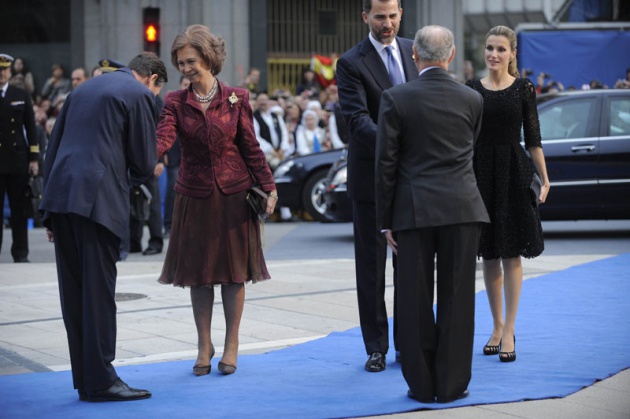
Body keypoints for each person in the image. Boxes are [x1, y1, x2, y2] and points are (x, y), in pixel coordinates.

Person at [40, 52, 168, 402]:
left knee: (75, 294)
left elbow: (53, 149)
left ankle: (86, 377)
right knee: (98, 294)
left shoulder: (82, 90)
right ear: (153, 80)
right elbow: (144, 161)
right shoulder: (140, 94)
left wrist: (48, 210)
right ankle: (101, 381)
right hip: (97, 201)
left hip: (62, 197)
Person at [156, 24, 277, 377]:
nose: (185, 69)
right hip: (193, 197)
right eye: (180, 63)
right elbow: (164, 138)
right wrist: (146, 154)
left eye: (190, 61)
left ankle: (231, 345)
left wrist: (269, 188)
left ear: (208, 58)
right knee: (198, 276)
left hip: (234, 197)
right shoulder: (175, 102)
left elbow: (251, 148)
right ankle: (202, 345)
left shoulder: (237, 97)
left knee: (233, 274)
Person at [376, 25, 489, 403]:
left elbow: (386, 164)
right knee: (459, 298)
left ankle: (421, 385)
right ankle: (453, 383)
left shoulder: (396, 98)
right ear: (452, 55)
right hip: (462, 206)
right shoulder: (472, 99)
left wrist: (385, 219)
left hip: (414, 209)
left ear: (415, 56)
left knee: (414, 298)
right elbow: (468, 150)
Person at [335, 0, 418, 372]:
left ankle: (408, 343)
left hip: (414, 182)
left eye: (393, 15)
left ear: (401, 14)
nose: (388, 23)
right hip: (371, 181)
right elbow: (357, 122)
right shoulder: (351, 62)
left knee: (411, 266)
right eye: (380, 16)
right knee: (371, 269)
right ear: (365, 16)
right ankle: (376, 347)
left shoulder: (416, 51)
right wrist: (403, 144)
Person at [465, 25, 550, 363]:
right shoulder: (472, 89)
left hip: (514, 171)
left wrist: (545, 178)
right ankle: (496, 326)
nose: (494, 55)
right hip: (481, 172)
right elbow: (465, 139)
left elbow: (533, 138)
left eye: (501, 49)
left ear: (513, 53)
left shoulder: (524, 88)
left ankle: (510, 328)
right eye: (489, 48)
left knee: (512, 252)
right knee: (489, 253)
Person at [0, 54, 39, 262]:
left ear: (10, 71)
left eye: (4, 70)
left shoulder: (20, 94)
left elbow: (31, 128)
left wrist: (34, 158)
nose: (1, 74)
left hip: (17, 160)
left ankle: (21, 253)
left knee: (19, 211)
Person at [162, 76, 189, 238]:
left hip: (192, 156)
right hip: (174, 154)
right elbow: (164, 129)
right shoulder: (172, 103)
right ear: (179, 85)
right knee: (173, 189)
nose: (187, 87)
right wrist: (163, 153)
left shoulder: (201, 102)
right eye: (185, 84)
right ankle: (169, 226)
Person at [253, 92, 292, 169]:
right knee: (276, 165)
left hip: (281, 151)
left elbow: (284, 132)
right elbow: (256, 136)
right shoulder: (254, 117)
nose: (263, 102)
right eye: (261, 100)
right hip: (266, 153)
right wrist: (271, 150)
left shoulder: (275, 115)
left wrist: (282, 147)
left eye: (265, 100)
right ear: (257, 102)